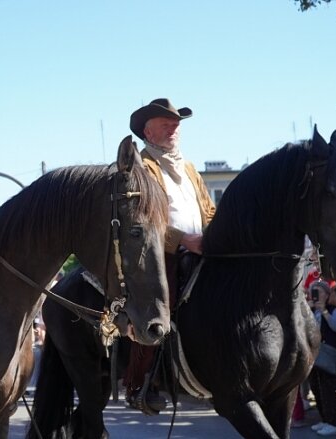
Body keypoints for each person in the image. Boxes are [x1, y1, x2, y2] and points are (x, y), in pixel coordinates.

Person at [122, 98, 216, 412]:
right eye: (166, 124)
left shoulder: (188, 166)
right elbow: (143, 217)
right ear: (148, 132)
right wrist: (182, 240)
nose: (174, 128)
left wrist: (216, 235)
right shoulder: (142, 166)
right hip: (161, 253)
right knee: (155, 310)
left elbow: (208, 210)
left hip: (202, 247)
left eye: (176, 124)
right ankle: (139, 384)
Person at [307, 281, 336, 436]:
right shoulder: (309, 310)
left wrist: (325, 312)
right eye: (314, 292)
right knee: (315, 388)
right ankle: (324, 419)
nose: (317, 295)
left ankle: (332, 422)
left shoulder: (334, 310)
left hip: (328, 354)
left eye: (320, 292)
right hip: (312, 355)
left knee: (328, 389)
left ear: (328, 295)